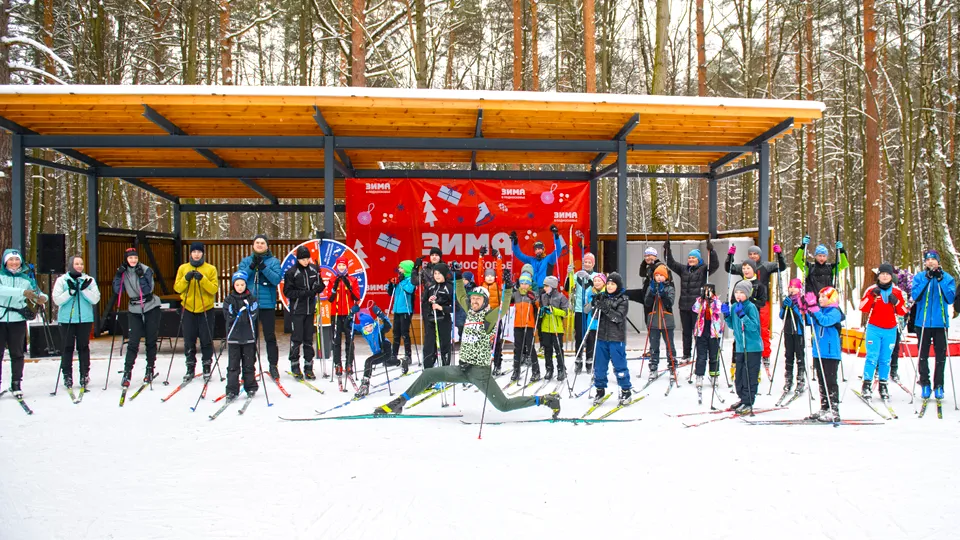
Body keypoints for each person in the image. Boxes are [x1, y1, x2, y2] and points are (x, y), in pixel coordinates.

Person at [373, 279, 562, 418]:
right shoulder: (470, 312)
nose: (474, 301)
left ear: (486, 302)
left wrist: (508, 288)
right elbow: (462, 295)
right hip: (462, 369)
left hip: (479, 373)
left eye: (479, 299)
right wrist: (456, 276)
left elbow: (504, 309)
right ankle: (400, 402)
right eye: (474, 299)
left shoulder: (488, 317)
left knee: (503, 406)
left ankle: (545, 400)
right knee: (428, 374)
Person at [728, 243, 787, 366]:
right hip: (745, 301)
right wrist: (730, 255)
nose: (753, 256)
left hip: (761, 302)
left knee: (762, 329)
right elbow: (729, 268)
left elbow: (781, 267)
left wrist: (779, 254)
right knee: (744, 327)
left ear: (759, 255)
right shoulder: (745, 266)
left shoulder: (766, 265)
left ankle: (765, 354)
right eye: (750, 254)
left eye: (755, 254)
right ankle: (741, 353)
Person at [112, 247, 161, 387]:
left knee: (150, 340)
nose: (133, 260)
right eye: (130, 258)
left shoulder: (146, 270)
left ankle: (149, 369)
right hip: (134, 308)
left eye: (135, 257)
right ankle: (127, 372)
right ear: (126, 259)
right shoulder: (123, 272)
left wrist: (141, 277)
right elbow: (118, 290)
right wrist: (117, 275)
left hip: (150, 306)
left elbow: (148, 290)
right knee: (133, 341)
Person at [0, 249, 47, 396]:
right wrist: (22, 293)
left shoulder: (26, 279)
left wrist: (41, 298)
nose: (14, 262)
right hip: (1, 318)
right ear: (5, 261)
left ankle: (16, 384)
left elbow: (36, 293)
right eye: (11, 259)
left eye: (17, 259)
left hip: (17, 320)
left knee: (17, 353)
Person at [911, 250, 957, 401]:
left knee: (941, 356)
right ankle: (925, 383)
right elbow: (915, 296)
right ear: (925, 262)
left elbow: (950, 299)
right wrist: (927, 279)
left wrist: (940, 280)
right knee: (922, 355)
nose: (930, 262)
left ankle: (939, 385)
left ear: (938, 261)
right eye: (928, 259)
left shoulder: (947, 278)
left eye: (933, 259)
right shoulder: (919, 277)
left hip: (940, 322)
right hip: (922, 322)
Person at [858, 264, 908, 401]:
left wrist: (896, 302)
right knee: (872, 357)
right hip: (874, 328)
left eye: (887, 274)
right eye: (882, 274)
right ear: (878, 275)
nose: (885, 276)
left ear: (891, 276)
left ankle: (883, 385)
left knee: (885, 359)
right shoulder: (871, 289)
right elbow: (862, 307)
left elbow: (903, 311)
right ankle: (866, 385)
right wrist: (871, 297)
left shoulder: (897, 291)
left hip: (890, 329)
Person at [664, 240, 719, 361]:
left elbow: (714, 265)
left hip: (697, 307)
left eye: (694, 257)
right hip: (684, 306)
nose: (691, 259)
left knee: (698, 331)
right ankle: (686, 354)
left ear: (698, 259)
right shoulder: (684, 269)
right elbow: (671, 263)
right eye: (689, 257)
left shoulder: (704, 269)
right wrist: (667, 250)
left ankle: (700, 353)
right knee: (686, 331)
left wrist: (712, 251)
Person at [237, 234, 283, 379]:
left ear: (267, 246)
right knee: (251, 337)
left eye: (262, 243)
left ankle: (273, 365)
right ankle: (249, 366)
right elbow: (239, 279)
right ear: (253, 245)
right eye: (257, 242)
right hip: (249, 303)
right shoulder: (246, 261)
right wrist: (252, 267)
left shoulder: (274, 261)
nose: (260, 245)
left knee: (270, 336)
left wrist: (263, 268)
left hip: (267, 304)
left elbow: (276, 279)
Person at [173, 242, 219, 383]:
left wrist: (203, 279)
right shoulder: (183, 268)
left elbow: (213, 289)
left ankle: (206, 367)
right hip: (188, 308)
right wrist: (186, 279)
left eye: (199, 252)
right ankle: (190, 367)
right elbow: (178, 288)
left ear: (203, 254)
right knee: (189, 339)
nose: (197, 254)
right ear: (190, 254)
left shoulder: (210, 269)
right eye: (194, 252)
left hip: (206, 309)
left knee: (206, 339)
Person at [52, 255, 100, 390]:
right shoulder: (62, 280)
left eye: (81, 264)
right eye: (76, 263)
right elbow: (57, 300)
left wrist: (84, 290)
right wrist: (70, 291)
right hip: (67, 319)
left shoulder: (89, 280)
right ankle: (67, 375)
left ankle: (84, 374)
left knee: (83, 347)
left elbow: (95, 299)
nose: (79, 266)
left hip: (84, 319)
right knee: (67, 348)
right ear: (70, 265)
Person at [590, 272, 632, 405]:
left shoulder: (623, 299)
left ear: (618, 285)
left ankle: (625, 390)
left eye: (612, 284)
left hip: (616, 338)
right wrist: (595, 305)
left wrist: (606, 309)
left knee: (619, 365)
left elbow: (618, 317)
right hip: (602, 336)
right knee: (600, 366)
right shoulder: (602, 297)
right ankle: (600, 389)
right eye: (608, 283)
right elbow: (595, 316)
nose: (609, 286)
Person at [282, 246, 324, 380]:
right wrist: (305, 293)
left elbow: (321, 285)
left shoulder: (313, 269)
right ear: (298, 259)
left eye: (307, 259)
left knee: (308, 338)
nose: (306, 261)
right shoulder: (291, 272)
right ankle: (295, 364)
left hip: (310, 309)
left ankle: (308, 366)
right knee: (297, 338)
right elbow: (288, 292)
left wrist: (319, 287)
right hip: (297, 309)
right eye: (303, 259)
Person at [804, 287, 845, 422]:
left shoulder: (835, 312)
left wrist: (814, 309)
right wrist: (807, 309)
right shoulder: (820, 310)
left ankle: (834, 409)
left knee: (830, 381)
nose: (820, 299)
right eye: (819, 297)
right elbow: (811, 322)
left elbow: (825, 321)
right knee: (821, 381)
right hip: (818, 351)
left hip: (830, 352)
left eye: (824, 297)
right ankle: (824, 407)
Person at [723, 280, 762, 415]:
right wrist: (727, 315)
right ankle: (742, 397)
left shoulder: (751, 307)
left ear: (748, 294)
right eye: (737, 292)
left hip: (752, 347)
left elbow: (753, 328)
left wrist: (743, 316)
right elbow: (733, 326)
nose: (739, 295)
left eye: (742, 293)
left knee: (749, 374)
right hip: (740, 346)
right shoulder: (734, 306)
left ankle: (748, 400)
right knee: (739, 375)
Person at [729, 259, 768, 383]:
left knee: (752, 341)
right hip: (739, 315)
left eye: (748, 268)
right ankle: (736, 371)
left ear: (754, 269)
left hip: (752, 315)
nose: (746, 270)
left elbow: (762, 302)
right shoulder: (739, 283)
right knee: (738, 342)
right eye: (744, 268)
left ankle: (754, 373)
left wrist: (750, 300)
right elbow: (733, 300)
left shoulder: (759, 285)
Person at [222, 271, 259, 400]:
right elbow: (227, 315)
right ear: (233, 285)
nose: (240, 287)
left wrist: (253, 312)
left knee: (249, 364)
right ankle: (232, 389)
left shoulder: (251, 298)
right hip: (234, 337)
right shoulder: (229, 299)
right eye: (237, 284)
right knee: (233, 365)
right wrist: (230, 314)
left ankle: (251, 387)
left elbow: (254, 315)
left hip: (248, 337)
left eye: (242, 284)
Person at [354, 307, 400, 398]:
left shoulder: (378, 328)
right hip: (377, 353)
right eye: (366, 327)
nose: (369, 329)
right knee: (388, 362)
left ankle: (365, 385)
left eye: (371, 325)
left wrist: (381, 315)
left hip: (385, 349)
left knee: (369, 362)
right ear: (363, 328)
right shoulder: (362, 331)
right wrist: (350, 315)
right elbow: (348, 327)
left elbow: (388, 326)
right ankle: (402, 362)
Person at [415, 261, 453, 368]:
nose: (437, 276)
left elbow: (456, 308)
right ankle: (428, 370)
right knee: (429, 347)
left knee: (444, 346)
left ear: (445, 274)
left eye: (439, 273)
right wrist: (429, 300)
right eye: (435, 273)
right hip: (431, 320)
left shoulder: (450, 287)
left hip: (444, 320)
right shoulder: (431, 287)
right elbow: (424, 302)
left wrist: (441, 307)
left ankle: (444, 370)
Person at [644, 265, 677, 383]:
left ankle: (672, 366)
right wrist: (652, 293)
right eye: (656, 275)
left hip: (666, 321)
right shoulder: (651, 286)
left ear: (666, 276)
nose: (658, 277)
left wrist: (662, 294)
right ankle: (653, 367)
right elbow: (647, 303)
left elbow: (670, 303)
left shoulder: (670, 287)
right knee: (654, 346)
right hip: (653, 321)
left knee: (669, 345)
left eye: (661, 275)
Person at [328, 256, 361, 375]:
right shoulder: (332, 280)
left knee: (349, 340)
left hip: (348, 314)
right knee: (336, 341)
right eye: (339, 266)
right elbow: (330, 299)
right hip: (336, 314)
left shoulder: (353, 280)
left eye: (343, 266)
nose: (341, 268)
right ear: (336, 267)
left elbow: (357, 297)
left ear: (347, 267)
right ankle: (337, 364)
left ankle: (349, 364)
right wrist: (334, 286)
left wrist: (349, 286)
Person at [567, 252, 599, 373]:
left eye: (589, 262)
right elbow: (568, 287)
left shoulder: (597, 275)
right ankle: (578, 360)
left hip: (591, 310)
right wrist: (569, 274)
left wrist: (589, 278)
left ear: (593, 264)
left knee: (590, 336)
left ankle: (590, 361)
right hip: (579, 309)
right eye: (585, 262)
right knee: (579, 336)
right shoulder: (577, 275)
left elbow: (598, 287)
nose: (587, 264)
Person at [691, 283, 723, 390]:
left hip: (714, 332)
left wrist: (711, 301)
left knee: (714, 355)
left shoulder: (716, 301)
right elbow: (694, 309)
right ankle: (699, 375)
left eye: (709, 291)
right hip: (701, 331)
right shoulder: (700, 301)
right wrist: (702, 299)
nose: (707, 293)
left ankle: (714, 376)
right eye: (705, 291)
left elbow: (718, 309)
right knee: (701, 356)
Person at [508, 272, 539, 383]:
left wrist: (535, 300)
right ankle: (516, 370)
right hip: (517, 325)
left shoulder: (533, 294)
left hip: (529, 324)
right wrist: (508, 287)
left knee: (530, 348)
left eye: (526, 283)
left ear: (530, 284)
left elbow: (539, 307)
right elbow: (506, 300)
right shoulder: (516, 294)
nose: (524, 285)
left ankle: (536, 371)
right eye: (522, 283)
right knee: (517, 348)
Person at [386, 260, 416, 373]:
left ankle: (408, 355)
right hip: (397, 310)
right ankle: (394, 355)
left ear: (407, 269)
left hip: (406, 310)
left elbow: (409, 290)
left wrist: (402, 281)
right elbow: (391, 293)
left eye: (401, 268)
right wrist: (391, 284)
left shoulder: (410, 279)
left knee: (404, 332)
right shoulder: (399, 279)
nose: (399, 270)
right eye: (399, 268)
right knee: (396, 333)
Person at [779, 278, 807, 394]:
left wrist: (794, 307)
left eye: (795, 287)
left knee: (799, 355)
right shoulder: (787, 300)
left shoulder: (802, 300)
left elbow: (802, 317)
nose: (792, 289)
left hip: (798, 332)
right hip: (788, 331)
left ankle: (800, 380)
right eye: (791, 286)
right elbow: (781, 315)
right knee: (788, 355)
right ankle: (788, 380)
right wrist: (784, 307)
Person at [538, 275, 569, 381]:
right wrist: (541, 312)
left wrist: (554, 310)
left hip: (557, 328)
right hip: (545, 328)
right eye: (544, 286)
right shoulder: (543, 296)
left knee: (558, 349)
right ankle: (549, 369)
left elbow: (565, 313)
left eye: (546, 286)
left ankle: (561, 369)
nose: (544, 288)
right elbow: (540, 311)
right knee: (547, 349)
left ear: (552, 286)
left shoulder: (561, 297)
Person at [478, 267, 505, 374]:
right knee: (484, 342)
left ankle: (497, 365)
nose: (489, 278)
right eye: (487, 275)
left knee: (496, 342)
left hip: (496, 317)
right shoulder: (482, 286)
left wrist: (498, 259)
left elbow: (499, 271)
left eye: (492, 276)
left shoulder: (497, 286)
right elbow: (479, 271)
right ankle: (484, 365)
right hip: (484, 318)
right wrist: (480, 257)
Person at [637, 247, 663, 331]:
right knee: (648, 319)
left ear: (655, 256)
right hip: (646, 295)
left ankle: (654, 335)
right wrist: (645, 262)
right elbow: (641, 273)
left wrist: (653, 265)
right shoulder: (649, 267)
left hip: (654, 296)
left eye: (650, 255)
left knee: (652, 319)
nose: (647, 257)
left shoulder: (659, 266)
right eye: (646, 256)